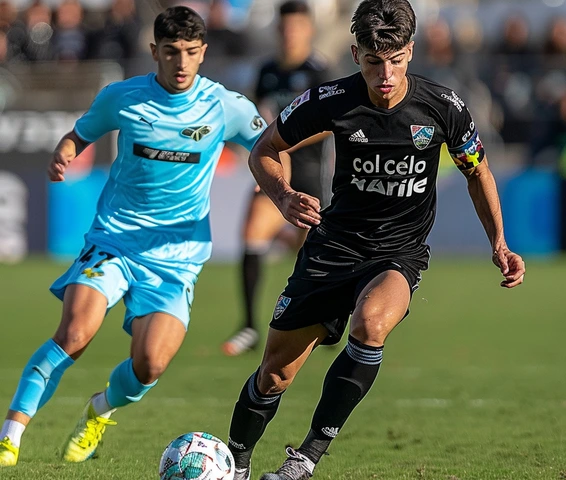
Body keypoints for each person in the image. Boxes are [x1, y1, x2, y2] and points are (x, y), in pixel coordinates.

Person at [226, 0, 526, 478]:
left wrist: (499, 243)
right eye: (372, 61)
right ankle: (235, 465)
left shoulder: (443, 107)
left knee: (371, 325)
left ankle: (305, 459)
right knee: (275, 375)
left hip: (396, 253)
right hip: (332, 248)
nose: (385, 74)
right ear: (354, 54)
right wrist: (283, 196)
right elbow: (265, 148)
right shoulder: (330, 100)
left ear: (410, 51)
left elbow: (478, 171)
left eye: (396, 59)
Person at [0, 6, 266, 467]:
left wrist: (274, 180)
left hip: (176, 257)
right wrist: (63, 154)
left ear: (203, 53)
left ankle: (99, 410)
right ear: (154, 52)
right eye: (170, 52)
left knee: (150, 365)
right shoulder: (122, 97)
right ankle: (10, 435)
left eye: (189, 53)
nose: (180, 63)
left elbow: (267, 145)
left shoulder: (226, 107)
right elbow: (79, 135)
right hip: (115, 240)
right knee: (75, 332)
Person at [221, 0, 334, 357]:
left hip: (309, 177)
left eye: (297, 27)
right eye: (284, 28)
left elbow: (332, 124)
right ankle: (250, 326)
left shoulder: (319, 72)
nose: (290, 34)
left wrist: (287, 138)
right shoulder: (267, 71)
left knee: (310, 250)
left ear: (309, 30)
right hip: (273, 176)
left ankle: (325, 320)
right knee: (251, 232)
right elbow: (256, 121)